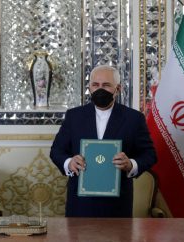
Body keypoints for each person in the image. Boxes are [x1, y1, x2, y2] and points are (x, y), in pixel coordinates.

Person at [50, 65, 157, 217]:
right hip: (80, 204)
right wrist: (69, 163)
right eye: (95, 85)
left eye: (106, 85)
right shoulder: (74, 116)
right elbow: (57, 151)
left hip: (117, 205)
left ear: (117, 89)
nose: (100, 89)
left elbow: (149, 155)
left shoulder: (134, 119)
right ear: (90, 87)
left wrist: (130, 164)